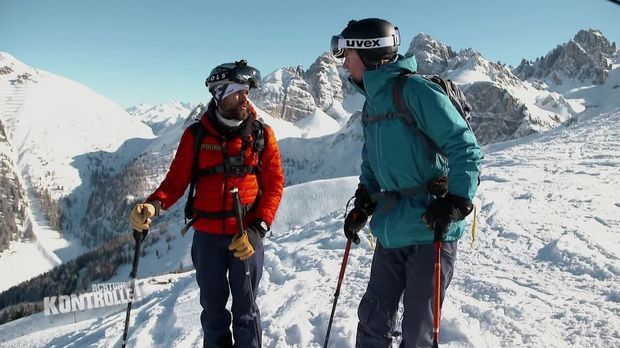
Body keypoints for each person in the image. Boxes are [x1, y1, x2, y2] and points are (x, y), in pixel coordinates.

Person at [331, 19, 482, 347]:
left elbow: (464, 147)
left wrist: (457, 201)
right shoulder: (372, 104)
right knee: (373, 317)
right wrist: (364, 200)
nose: (343, 61)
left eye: (347, 53)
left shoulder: (415, 92)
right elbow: (371, 161)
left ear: (370, 53)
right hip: (393, 226)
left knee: (417, 329)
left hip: (432, 227)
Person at [129, 59, 284, 348]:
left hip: (246, 236)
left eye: (247, 89)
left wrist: (258, 229)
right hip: (208, 238)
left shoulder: (262, 135)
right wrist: (153, 205)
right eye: (238, 90)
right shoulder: (196, 136)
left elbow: (275, 184)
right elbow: (175, 182)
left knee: (246, 313)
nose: (245, 96)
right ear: (220, 93)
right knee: (213, 312)